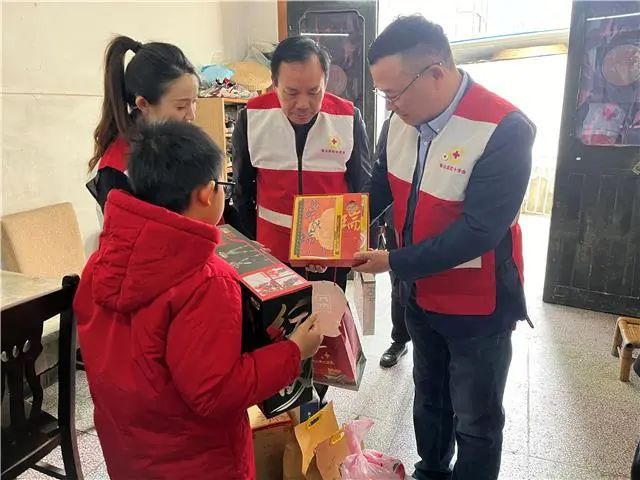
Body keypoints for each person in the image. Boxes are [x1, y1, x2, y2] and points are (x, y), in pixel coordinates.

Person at [74, 120, 324, 480]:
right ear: (208, 193)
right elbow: (215, 393)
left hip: (129, 450)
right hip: (200, 460)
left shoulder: (101, 260)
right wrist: (294, 352)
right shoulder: (206, 281)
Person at [354, 15, 535, 480]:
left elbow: (480, 230)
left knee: (475, 417)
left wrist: (394, 261)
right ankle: (431, 470)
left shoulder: (504, 128)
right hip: (419, 294)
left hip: (478, 305)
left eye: (395, 93)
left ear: (435, 72)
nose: (389, 105)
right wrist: (339, 226)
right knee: (430, 396)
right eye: (382, 94)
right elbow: (381, 185)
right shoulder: (400, 119)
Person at [231, 36, 371, 291]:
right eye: (292, 93)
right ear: (274, 83)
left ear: (326, 82)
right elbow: (242, 190)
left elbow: (362, 187)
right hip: (272, 250)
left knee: (327, 311)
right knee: (280, 314)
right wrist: (252, 243)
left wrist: (346, 246)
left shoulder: (347, 118)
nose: (303, 104)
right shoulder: (252, 117)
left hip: (328, 251)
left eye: (314, 92)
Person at [86, 35, 199, 214]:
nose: (191, 115)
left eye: (194, 102)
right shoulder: (117, 171)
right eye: (181, 106)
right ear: (143, 104)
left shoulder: (178, 144)